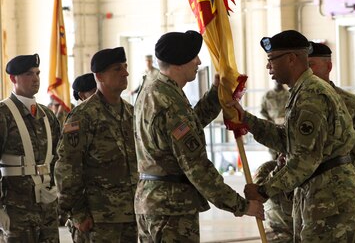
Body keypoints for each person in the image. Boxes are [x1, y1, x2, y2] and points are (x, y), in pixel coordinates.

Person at [229, 30, 355, 242]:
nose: (268, 67)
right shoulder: (301, 91)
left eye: (271, 60)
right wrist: (246, 120)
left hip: (331, 199)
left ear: (291, 59)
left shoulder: (310, 95)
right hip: (321, 193)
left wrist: (264, 190)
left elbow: (304, 159)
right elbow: (288, 141)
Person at [133, 30, 264, 242]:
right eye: (194, 57)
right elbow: (197, 168)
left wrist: (215, 93)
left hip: (152, 204)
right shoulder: (169, 102)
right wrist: (242, 206)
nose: (199, 61)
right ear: (178, 63)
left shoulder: (154, 88)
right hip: (171, 211)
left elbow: (189, 125)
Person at [55, 47, 138, 242]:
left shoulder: (130, 112)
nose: (125, 73)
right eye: (117, 69)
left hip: (130, 215)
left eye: (125, 67)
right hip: (97, 220)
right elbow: (67, 167)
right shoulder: (84, 115)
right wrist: (77, 213)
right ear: (99, 76)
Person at [307, 41, 355, 242]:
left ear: (329, 66)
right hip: (307, 205)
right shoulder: (299, 105)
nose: (307, 71)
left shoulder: (352, 104)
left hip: (343, 204)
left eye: (312, 64)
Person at [0, 54, 61, 242]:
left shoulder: (47, 115)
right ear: (13, 78)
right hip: (16, 212)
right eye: (28, 74)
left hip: (47, 209)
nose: (35, 79)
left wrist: (56, 187)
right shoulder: (3, 115)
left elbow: (58, 159)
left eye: (37, 73)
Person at [253, 154, 293, 243]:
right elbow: (257, 193)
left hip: (302, 231)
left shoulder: (304, 168)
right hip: (278, 233)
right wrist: (277, 171)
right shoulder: (267, 168)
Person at [260, 80, 289, 159]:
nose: (278, 82)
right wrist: (269, 120)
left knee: (287, 147)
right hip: (273, 124)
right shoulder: (268, 95)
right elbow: (263, 110)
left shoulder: (289, 94)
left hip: (286, 125)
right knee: (273, 147)